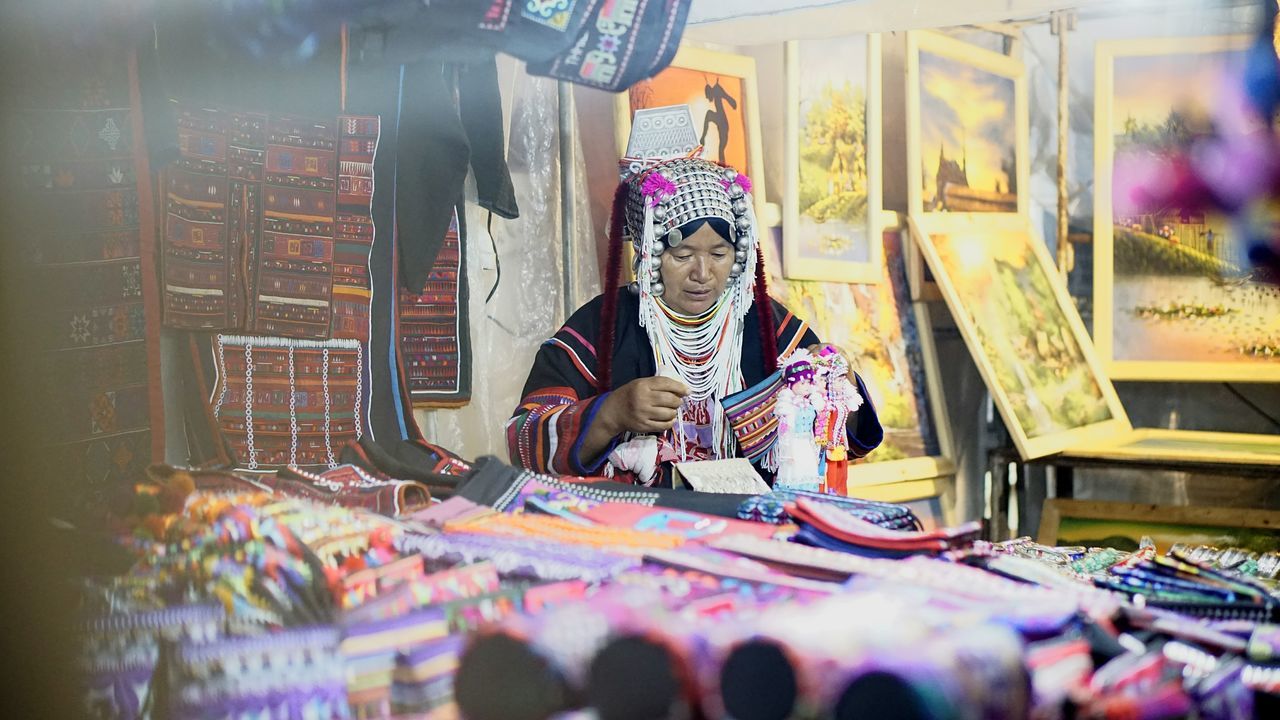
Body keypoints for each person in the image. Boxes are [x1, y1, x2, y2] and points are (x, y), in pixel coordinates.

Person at [507, 154, 882, 487]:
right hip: (637, 534)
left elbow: (846, 441)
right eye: (682, 254)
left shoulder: (765, 324)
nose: (703, 273)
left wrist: (837, 387)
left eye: (719, 253)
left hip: (746, 532)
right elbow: (524, 439)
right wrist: (611, 413)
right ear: (648, 252)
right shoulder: (601, 327)